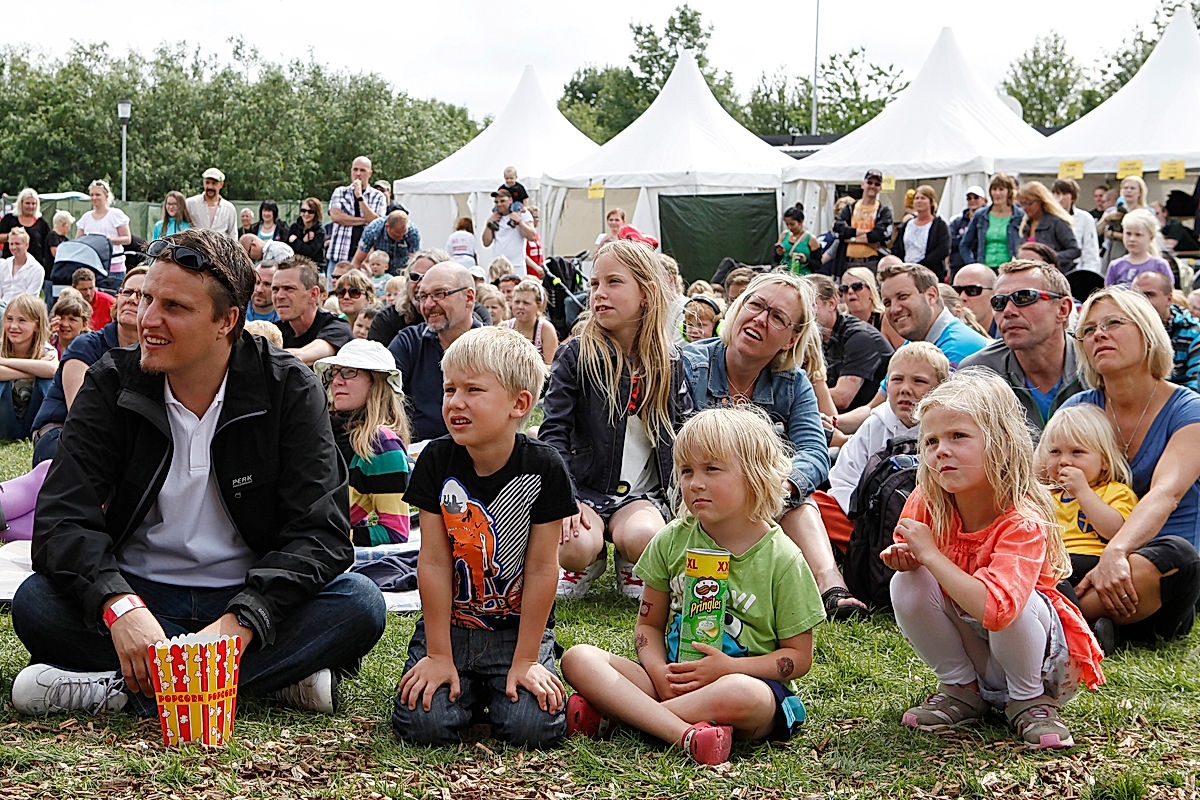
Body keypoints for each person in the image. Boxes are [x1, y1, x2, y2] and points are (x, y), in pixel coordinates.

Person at [9, 228, 387, 718]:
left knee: (360, 604)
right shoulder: (111, 382)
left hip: (247, 596)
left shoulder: (288, 388)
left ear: (227, 321)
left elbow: (322, 534)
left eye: (174, 307)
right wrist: (119, 605)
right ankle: (263, 682)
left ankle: (120, 689)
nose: (147, 319)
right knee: (36, 603)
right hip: (137, 591)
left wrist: (241, 621)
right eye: (147, 299)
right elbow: (63, 519)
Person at [560, 405, 824, 765]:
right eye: (686, 471)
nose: (695, 483)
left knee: (742, 694)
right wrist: (658, 671)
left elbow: (798, 658)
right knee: (579, 658)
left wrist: (727, 668)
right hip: (670, 679)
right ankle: (682, 731)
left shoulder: (783, 558)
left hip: (743, 688)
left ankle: (630, 717)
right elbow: (648, 627)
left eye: (711, 469)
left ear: (755, 475)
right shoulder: (672, 540)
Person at [884, 369, 1104, 749]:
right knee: (908, 582)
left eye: (958, 436)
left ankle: (1029, 701)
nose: (941, 450)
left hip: (1037, 663)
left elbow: (999, 610)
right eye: (932, 440)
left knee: (1016, 600)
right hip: (977, 650)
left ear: (1000, 442)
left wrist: (931, 555)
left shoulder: (1022, 519)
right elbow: (910, 548)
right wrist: (907, 558)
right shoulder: (930, 500)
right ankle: (961, 688)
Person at [392, 326, 576, 748]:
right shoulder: (436, 460)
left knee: (532, 728)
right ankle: (467, 691)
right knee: (424, 724)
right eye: (449, 389)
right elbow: (434, 561)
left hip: (515, 632)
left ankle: (500, 683)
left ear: (519, 404)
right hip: (450, 629)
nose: (455, 402)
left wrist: (527, 659)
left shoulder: (545, 467)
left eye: (473, 390)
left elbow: (543, 568)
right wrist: (438, 654)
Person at [681, 273, 866, 619]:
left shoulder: (793, 383)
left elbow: (814, 452)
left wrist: (782, 484)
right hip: (695, 499)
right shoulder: (688, 366)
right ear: (737, 308)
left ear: (791, 339)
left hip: (764, 500)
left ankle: (831, 587)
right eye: (755, 305)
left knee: (801, 501)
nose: (760, 319)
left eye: (778, 317)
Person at [541, 241, 691, 600]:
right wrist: (566, 497)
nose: (599, 293)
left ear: (646, 294)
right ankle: (588, 561)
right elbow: (553, 431)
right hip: (585, 490)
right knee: (573, 546)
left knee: (645, 537)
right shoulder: (575, 354)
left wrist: (682, 501)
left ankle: (630, 556)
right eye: (594, 284)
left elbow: (684, 435)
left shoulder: (669, 361)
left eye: (614, 282)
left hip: (639, 495)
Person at [1059, 287, 1200, 643]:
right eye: (1088, 330)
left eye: (1113, 323)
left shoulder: (1189, 410)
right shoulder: (1076, 409)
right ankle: (1101, 626)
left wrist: (1118, 551)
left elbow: (1166, 494)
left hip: (1155, 567)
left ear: (1148, 333)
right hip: (1085, 560)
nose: (1099, 334)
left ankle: (1059, 623)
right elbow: (1036, 482)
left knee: (1177, 557)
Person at [814, 343, 949, 553]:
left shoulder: (945, 428)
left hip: (926, 525)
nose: (905, 388)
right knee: (814, 505)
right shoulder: (875, 423)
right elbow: (844, 477)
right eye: (897, 379)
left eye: (919, 381)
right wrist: (866, 518)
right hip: (866, 520)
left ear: (940, 388)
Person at [1035, 405, 1139, 654]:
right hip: (1057, 565)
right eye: (1055, 452)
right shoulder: (1046, 497)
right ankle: (1089, 632)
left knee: (1054, 578)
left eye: (1077, 452)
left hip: (1095, 564)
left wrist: (1082, 491)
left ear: (1104, 462)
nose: (1064, 461)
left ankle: (1077, 636)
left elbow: (1115, 530)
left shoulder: (1115, 492)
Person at [30, 268, 147, 465]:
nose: (132, 299)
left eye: (142, 295)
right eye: (127, 292)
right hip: (62, 431)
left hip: (120, 438)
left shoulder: (158, 354)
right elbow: (81, 414)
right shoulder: (86, 346)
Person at [959, 259, 1082, 431]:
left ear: (1063, 309)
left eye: (1024, 297)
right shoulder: (977, 373)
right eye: (999, 302)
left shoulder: (1096, 364)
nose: (1008, 311)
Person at [314, 339, 412, 546]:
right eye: (334, 372)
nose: (337, 381)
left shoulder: (383, 445)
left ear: (376, 382)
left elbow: (395, 532)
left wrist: (330, 538)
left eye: (349, 372)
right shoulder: (323, 429)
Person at [388, 261, 482, 442]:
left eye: (439, 294)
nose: (429, 304)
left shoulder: (493, 349)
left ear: (469, 297)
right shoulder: (409, 342)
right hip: (415, 452)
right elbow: (382, 396)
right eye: (423, 296)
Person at [805, 274, 892, 412]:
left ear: (832, 304)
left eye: (809, 304)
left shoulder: (860, 337)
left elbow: (842, 398)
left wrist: (796, 394)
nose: (803, 313)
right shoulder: (811, 336)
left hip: (869, 418)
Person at [271, 255, 354, 365]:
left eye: (289, 289)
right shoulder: (275, 331)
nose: (279, 296)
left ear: (313, 294)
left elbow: (302, 355)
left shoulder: (337, 328)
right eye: (275, 289)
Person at [0, 294, 58, 439]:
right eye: (9, 319)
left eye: (22, 320)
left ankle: (51, 429)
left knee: (47, 380)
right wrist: (34, 370)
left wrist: (5, 362)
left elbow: (52, 370)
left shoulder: (46, 350)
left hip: (34, 421)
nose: (13, 326)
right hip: (5, 420)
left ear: (37, 325)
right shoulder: (1, 347)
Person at [1132, 270, 1200, 392]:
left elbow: (1195, 387)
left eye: (1149, 294)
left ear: (1169, 299)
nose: (1141, 301)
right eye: (1135, 296)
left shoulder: (1193, 332)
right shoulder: (1122, 330)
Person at [368, 249, 446, 346]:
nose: (420, 284)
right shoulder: (386, 319)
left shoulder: (456, 321)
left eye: (428, 277)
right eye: (414, 277)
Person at [831, 169, 894, 277]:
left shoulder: (883, 211)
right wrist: (867, 235)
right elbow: (838, 230)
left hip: (872, 262)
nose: (873, 186)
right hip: (848, 262)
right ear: (862, 184)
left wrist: (851, 237)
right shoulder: (850, 208)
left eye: (877, 184)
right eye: (869, 182)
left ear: (880, 188)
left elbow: (881, 234)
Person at [328, 156, 386, 266]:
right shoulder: (340, 192)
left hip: (365, 260)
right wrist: (365, 220)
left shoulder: (378, 196)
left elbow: (376, 223)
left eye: (362, 170)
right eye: (355, 169)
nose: (358, 174)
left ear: (370, 173)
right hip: (339, 255)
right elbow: (336, 217)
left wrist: (360, 197)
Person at [960, 173, 1024, 269]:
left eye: (1001, 189)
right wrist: (973, 265)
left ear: (1009, 192)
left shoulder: (1020, 215)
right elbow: (964, 244)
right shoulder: (980, 215)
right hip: (985, 269)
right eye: (994, 189)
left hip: (1010, 269)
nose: (997, 193)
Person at [1016, 182, 1080, 271]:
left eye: (1028, 203)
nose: (1024, 208)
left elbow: (1074, 250)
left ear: (1040, 201)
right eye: (1021, 204)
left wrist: (1049, 259)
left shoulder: (1057, 222)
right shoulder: (1026, 224)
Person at [76, 180, 131, 282]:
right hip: (91, 266)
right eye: (92, 195)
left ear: (106, 196)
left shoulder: (116, 214)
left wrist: (107, 241)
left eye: (98, 194)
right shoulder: (86, 217)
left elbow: (127, 239)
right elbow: (78, 240)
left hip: (114, 267)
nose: (94, 198)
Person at [892, 185, 951, 280]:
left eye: (923, 198)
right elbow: (897, 248)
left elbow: (943, 249)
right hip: (906, 272)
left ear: (931, 202)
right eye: (917, 198)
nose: (919, 201)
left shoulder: (939, 225)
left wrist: (921, 265)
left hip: (930, 273)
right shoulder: (907, 225)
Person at [1104, 209, 1172, 287]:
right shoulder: (1115, 265)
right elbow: (1108, 291)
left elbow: (1168, 291)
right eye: (1128, 233)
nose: (1132, 239)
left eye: (1138, 235)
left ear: (1151, 237)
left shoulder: (1160, 265)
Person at [1097, 176, 1148, 269]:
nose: (1128, 191)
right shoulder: (1111, 211)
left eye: (1132, 188)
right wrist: (1107, 219)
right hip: (1112, 254)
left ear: (1140, 192)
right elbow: (1096, 232)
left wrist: (1114, 234)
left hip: (1137, 254)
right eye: (1125, 188)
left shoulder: (1146, 212)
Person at [1052, 179, 1102, 274]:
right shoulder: (1046, 219)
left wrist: (1089, 275)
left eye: (1064, 194)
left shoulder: (1085, 218)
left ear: (1073, 197)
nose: (1060, 198)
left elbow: (1090, 251)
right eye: (1057, 194)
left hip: (1077, 270)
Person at [482, 189, 536, 277]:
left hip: (517, 265)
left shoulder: (522, 213)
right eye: (496, 201)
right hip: (498, 266)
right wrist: (488, 224)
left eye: (502, 201)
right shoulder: (495, 217)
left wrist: (519, 222)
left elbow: (532, 236)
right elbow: (486, 242)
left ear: (510, 200)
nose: (499, 204)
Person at [505, 279, 558, 366]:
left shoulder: (546, 330)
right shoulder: (505, 327)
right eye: (517, 302)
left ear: (539, 306)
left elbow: (552, 367)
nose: (520, 306)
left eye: (526, 303)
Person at [352, 210, 421, 276]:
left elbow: (414, 263)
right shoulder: (373, 230)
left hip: (402, 273)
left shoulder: (413, 233)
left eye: (403, 235)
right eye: (397, 235)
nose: (401, 238)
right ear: (387, 226)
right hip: (379, 274)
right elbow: (356, 262)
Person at [1, 188, 51, 266]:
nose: (30, 206)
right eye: (27, 203)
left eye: (33, 203)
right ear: (21, 203)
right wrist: (12, 236)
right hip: (10, 265)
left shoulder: (42, 223)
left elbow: (46, 246)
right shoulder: (9, 219)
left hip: (34, 266)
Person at [185, 167, 238, 239]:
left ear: (221, 184)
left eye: (214, 183)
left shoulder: (229, 208)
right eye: (207, 183)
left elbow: (233, 235)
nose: (210, 187)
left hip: (220, 246)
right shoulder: (190, 203)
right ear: (203, 183)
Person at [948, 185, 987, 277]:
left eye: (976, 197)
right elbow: (951, 242)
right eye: (969, 198)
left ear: (984, 200)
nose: (972, 200)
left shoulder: (988, 220)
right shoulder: (957, 221)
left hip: (981, 266)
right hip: (958, 266)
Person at [0, 228, 46, 305]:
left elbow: (30, 299)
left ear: (26, 245)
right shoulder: (3, 266)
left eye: (17, 244)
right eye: (11, 244)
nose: (14, 247)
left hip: (23, 308)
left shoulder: (37, 269)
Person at [951, 263, 998, 337]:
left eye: (972, 290)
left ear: (994, 294)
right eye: (957, 291)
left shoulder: (1009, 332)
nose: (962, 297)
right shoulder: (948, 334)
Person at [775, 204, 816, 275]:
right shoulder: (784, 235)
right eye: (787, 224)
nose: (789, 227)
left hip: (803, 276)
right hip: (785, 275)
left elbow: (818, 264)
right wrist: (779, 253)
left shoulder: (811, 239)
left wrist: (805, 260)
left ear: (801, 222)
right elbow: (776, 259)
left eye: (792, 224)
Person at [49, 291, 91, 357]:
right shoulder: (45, 345)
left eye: (72, 320)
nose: (65, 324)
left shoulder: (91, 350)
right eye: (61, 318)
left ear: (84, 325)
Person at [287, 197, 326, 266]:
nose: (306, 214)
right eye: (303, 210)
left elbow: (310, 252)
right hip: (295, 265)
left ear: (316, 213)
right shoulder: (294, 227)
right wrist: (303, 241)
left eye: (310, 211)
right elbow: (288, 249)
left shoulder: (319, 231)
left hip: (314, 266)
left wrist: (296, 241)